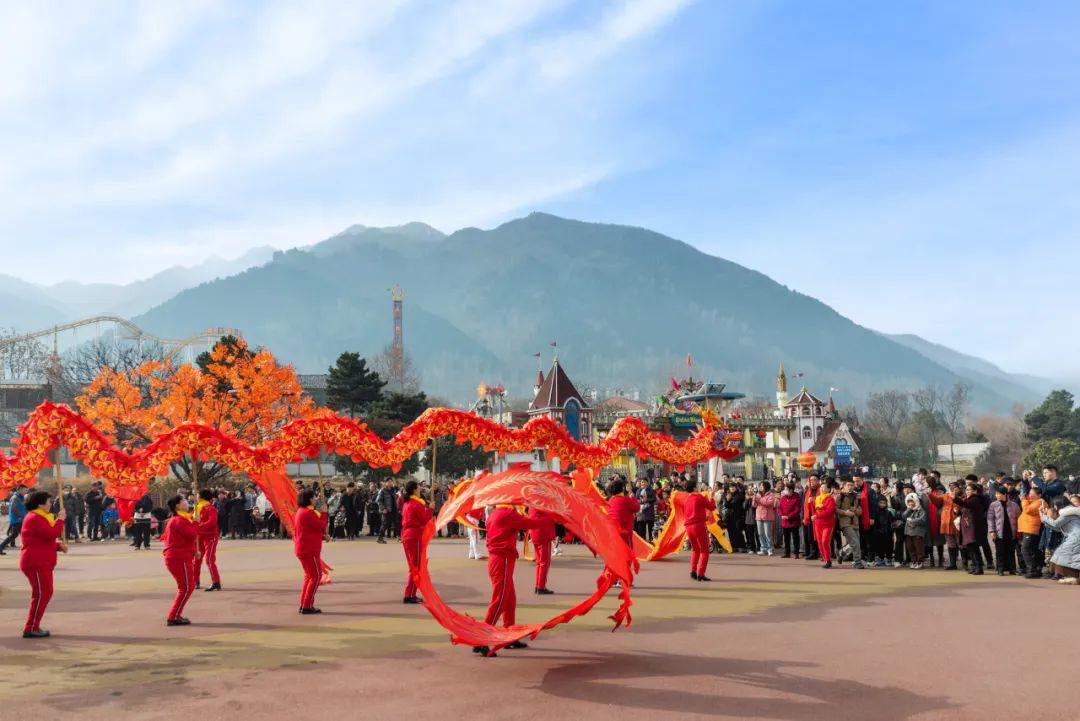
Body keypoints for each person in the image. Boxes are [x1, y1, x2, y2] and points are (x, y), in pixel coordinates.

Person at [473, 504, 549, 657]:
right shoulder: (508, 513)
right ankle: (481, 639)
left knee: (509, 600)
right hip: (503, 559)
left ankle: (509, 636)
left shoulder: (497, 512)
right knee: (500, 600)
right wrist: (551, 518)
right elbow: (530, 523)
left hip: (498, 559)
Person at [19, 490, 67, 638]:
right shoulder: (35, 518)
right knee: (42, 594)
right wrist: (60, 520)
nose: (50, 504)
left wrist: (58, 547)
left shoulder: (39, 517)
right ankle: (31, 627)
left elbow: (43, 540)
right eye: (48, 501)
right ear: (40, 504)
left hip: (40, 561)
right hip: (36, 562)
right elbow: (51, 533)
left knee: (43, 593)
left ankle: (33, 626)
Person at [161, 495, 200, 626]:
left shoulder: (180, 519)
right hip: (179, 558)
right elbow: (192, 535)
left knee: (186, 587)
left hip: (179, 557)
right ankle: (173, 616)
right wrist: (196, 522)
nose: (186, 502)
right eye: (183, 501)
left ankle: (175, 615)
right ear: (177, 506)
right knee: (186, 588)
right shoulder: (179, 520)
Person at [294, 488, 329, 614]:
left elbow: (310, 530)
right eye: (313, 497)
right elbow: (321, 526)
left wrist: (323, 536)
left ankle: (304, 604)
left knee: (309, 576)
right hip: (309, 549)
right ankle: (307, 605)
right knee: (316, 576)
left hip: (304, 548)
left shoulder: (301, 511)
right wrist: (324, 513)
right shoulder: (308, 513)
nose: (315, 499)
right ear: (309, 499)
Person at [400, 480, 432, 604]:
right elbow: (424, 519)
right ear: (414, 490)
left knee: (413, 566)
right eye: (418, 488)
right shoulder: (416, 504)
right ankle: (409, 594)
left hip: (407, 535)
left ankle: (410, 593)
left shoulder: (407, 503)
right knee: (416, 567)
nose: (420, 490)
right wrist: (430, 509)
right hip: (414, 536)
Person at [1039, 496, 1080, 584]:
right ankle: (1073, 576)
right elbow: (1058, 528)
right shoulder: (1070, 511)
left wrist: (1043, 516)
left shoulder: (1067, 512)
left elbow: (1056, 524)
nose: (1054, 507)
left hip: (1075, 538)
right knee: (1070, 557)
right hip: (1075, 537)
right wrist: (1045, 520)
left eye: (1055, 505)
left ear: (1059, 504)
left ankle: (1068, 575)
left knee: (1063, 555)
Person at [683, 478, 716, 581]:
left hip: (689, 526)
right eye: (697, 485)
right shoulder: (700, 497)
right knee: (704, 550)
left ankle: (693, 571)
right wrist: (712, 498)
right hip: (698, 526)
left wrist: (703, 517)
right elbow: (712, 507)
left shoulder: (687, 499)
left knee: (695, 549)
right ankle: (701, 573)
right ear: (694, 488)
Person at [988, 486, 1021, 576]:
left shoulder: (1014, 505)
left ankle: (1012, 569)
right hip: (998, 532)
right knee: (999, 551)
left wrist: (1018, 531)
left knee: (1011, 551)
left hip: (1011, 531)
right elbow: (990, 519)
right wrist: (992, 531)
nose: (997, 496)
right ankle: (1000, 569)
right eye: (996, 494)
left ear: (1005, 494)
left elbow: (1019, 518)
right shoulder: (993, 505)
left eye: (998, 494)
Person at [195, 489, 222, 591]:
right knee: (196, 559)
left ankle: (216, 582)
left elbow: (212, 522)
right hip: (199, 537)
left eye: (197, 495)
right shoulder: (197, 508)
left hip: (210, 537)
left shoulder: (211, 508)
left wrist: (200, 525)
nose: (196, 497)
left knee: (209, 559)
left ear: (201, 497)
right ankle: (195, 580)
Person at [528, 505, 557, 594]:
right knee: (545, 562)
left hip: (535, 534)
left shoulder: (532, 505)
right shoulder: (543, 504)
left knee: (539, 562)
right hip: (544, 534)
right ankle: (541, 586)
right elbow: (553, 515)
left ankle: (538, 585)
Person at [836, 478, 864, 568]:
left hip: (855, 522)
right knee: (855, 543)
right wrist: (845, 512)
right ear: (844, 486)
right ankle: (857, 562)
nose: (850, 487)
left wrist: (855, 510)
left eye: (851, 485)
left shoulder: (856, 496)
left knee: (856, 543)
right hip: (845, 523)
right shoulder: (840, 496)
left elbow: (860, 511)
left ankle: (841, 552)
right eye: (848, 485)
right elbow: (835, 509)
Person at [606, 479, 640, 551]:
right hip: (625, 528)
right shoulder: (626, 499)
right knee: (627, 548)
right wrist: (633, 498)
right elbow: (636, 508)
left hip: (613, 528)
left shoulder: (610, 500)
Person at [811, 480, 838, 568]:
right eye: (821, 487)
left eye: (824, 487)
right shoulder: (817, 499)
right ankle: (825, 558)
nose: (822, 489)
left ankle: (828, 560)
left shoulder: (830, 499)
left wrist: (817, 515)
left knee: (825, 541)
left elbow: (829, 511)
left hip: (827, 524)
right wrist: (811, 503)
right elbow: (814, 510)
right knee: (820, 542)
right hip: (818, 523)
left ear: (828, 489)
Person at [902, 493, 928, 569]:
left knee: (919, 547)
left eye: (912, 501)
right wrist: (909, 509)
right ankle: (914, 561)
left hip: (918, 532)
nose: (911, 503)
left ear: (916, 501)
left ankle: (920, 562)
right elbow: (904, 516)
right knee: (910, 547)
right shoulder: (909, 510)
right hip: (908, 532)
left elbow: (923, 519)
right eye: (909, 502)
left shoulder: (921, 510)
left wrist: (912, 521)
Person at [752, 481, 778, 557]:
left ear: (766, 487)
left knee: (768, 534)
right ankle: (763, 549)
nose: (760, 487)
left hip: (767, 516)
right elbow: (754, 505)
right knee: (760, 534)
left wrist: (758, 499)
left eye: (761, 486)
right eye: (760, 486)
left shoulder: (771, 494)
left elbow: (769, 503)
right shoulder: (757, 494)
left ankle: (770, 549)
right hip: (759, 516)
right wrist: (754, 499)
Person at [0, 485, 28, 555]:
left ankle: (28, 549)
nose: (26, 492)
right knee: (14, 535)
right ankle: (1, 547)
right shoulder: (15, 498)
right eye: (25, 490)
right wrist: (22, 516)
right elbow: (14, 509)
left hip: (20, 519)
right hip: (16, 519)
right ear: (20, 490)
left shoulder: (20, 498)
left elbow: (22, 508)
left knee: (23, 534)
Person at [777, 482, 802, 558]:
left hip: (794, 521)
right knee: (786, 538)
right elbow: (779, 507)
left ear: (791, 490)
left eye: (786, 489)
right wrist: (781, 515)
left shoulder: (796, 497)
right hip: (785, 521)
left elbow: (797, 510)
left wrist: (788, 516)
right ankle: (787, 553)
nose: (784, 491)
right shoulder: (783, 497)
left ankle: (796, 553)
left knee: (795, 538)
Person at [802, 475, 821, 560]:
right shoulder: (808, 491)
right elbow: (805, 505)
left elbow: (822, 502)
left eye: (814, 480)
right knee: (810, 536)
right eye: (811, 480)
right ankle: (812, 552)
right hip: (808, 516)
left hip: (818, 517)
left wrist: (813, 500)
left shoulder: (820, 490)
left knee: (817, 536)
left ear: (818, 481)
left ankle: (816, 552)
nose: (812, 482)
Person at [376, 480, 397, 544]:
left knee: (396, 523)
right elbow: (378, 500)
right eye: (389, 481)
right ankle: (380, 538)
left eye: (391, 481)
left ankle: (399, 537)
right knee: (385, 524)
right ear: (385, 483)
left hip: (393, 510)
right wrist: (383, 509)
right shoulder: (382, 490)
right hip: (386, 510)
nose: (390, 483)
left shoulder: (393, 490)